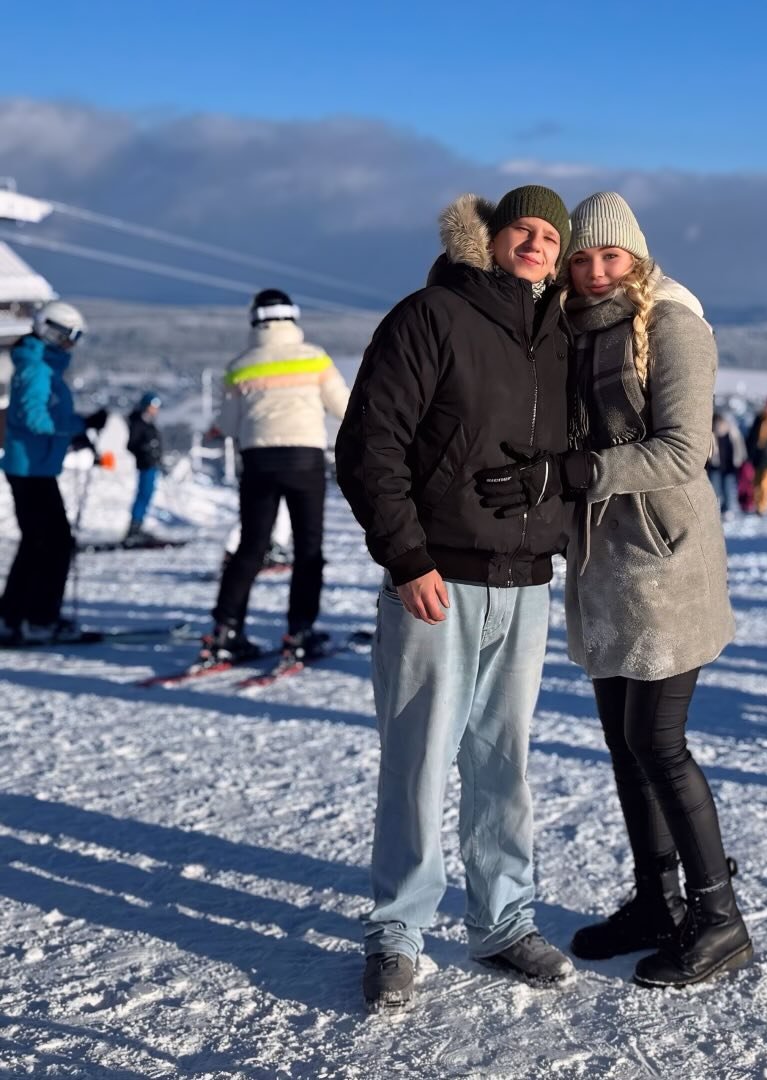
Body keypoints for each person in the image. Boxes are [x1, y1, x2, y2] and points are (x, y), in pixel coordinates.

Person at [477, 191, 752, 990]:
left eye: (612, 257)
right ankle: (657, 902)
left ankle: (721, 919)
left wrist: (572, 473)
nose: (597, 271)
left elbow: (684, 451)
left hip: (666, 561)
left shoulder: (673, 324)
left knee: (659, 743)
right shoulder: (572, 325)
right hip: (601, 562)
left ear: (637, 257)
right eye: (583, 259)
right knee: (625, 745)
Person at [336, 186, 575, 1012]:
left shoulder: (559, 334)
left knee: (504, 764)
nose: (535, 244)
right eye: (522, 230)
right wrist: (406, 556)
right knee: (419, 760)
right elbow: (370, 443)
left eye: (550, 236)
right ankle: (397, 934)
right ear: (491, 236)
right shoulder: (430, 315)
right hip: (437, 578)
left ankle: (503, 922)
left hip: (527, 582)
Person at [203, 288, 349, 664]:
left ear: (254, 320)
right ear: (293, 316)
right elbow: (344, 407)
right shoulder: (314, 358)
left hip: (257, 462)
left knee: (251, 548)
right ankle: (299, 632)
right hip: (304, 460)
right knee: (308, 549)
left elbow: (228, 424)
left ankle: (225, 630)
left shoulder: (240, 365)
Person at [0, 300, 107, 642]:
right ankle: (39, 619)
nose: (71, 345)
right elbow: (33, 418)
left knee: (37, 543)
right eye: (68, 337)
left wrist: (77, 429)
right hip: (31, 469)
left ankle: (13, 617)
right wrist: (77, 427)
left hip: (34, 466)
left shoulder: (41, 366)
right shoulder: (36, 369)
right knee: (55, 544)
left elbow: (48, 416)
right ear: (50, 332)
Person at [125, 391, 163, 545]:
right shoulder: (138, 422)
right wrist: (146, 449)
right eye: (153, 406)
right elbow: (132, 443)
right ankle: (134, 528)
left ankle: (139, 526)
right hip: (145, 464)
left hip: (152, 463)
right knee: (143, 494)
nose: (155, 410)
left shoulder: (148, 422)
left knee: (147, 494)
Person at [707, 410, 746, 514]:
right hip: (715, 466)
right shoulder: (711, 435)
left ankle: (727, 509)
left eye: (722, 423)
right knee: (714, 490)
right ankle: (714, 510)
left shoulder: (734, 433)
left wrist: (740, 460)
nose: (720, 426)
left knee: (728, 489)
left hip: (729, 467)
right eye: (717, 423)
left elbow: (740, 447)